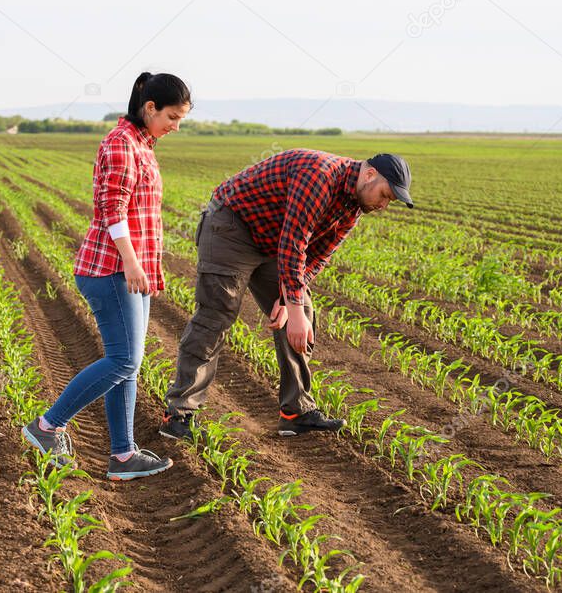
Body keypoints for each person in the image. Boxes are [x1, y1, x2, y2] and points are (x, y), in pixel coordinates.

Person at [158, 150, 414, 440]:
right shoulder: (320, 175)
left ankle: (297, 411)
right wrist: (289, 304)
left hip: (272, 241)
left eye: (390, 201)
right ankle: (178, 414)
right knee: (216, 315)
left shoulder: (353, 207)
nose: (383, 204)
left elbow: (318, 255)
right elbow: (295, 241)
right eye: (385, 195)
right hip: (231, 227)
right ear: (370, 174)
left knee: (302, 309)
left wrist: (287, 299)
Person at [23, 72, 191, 480]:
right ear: (149, 107)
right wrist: (133, 263)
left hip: (131, 270)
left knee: (128, 365)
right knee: (123, 359)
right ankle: (48, 426)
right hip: (112, 269)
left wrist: (143, 266)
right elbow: (112, 209)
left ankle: (122, 455)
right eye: (172, 116)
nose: (175, 126)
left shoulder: (142, 144)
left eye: (181, 119)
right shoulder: (120, 144)